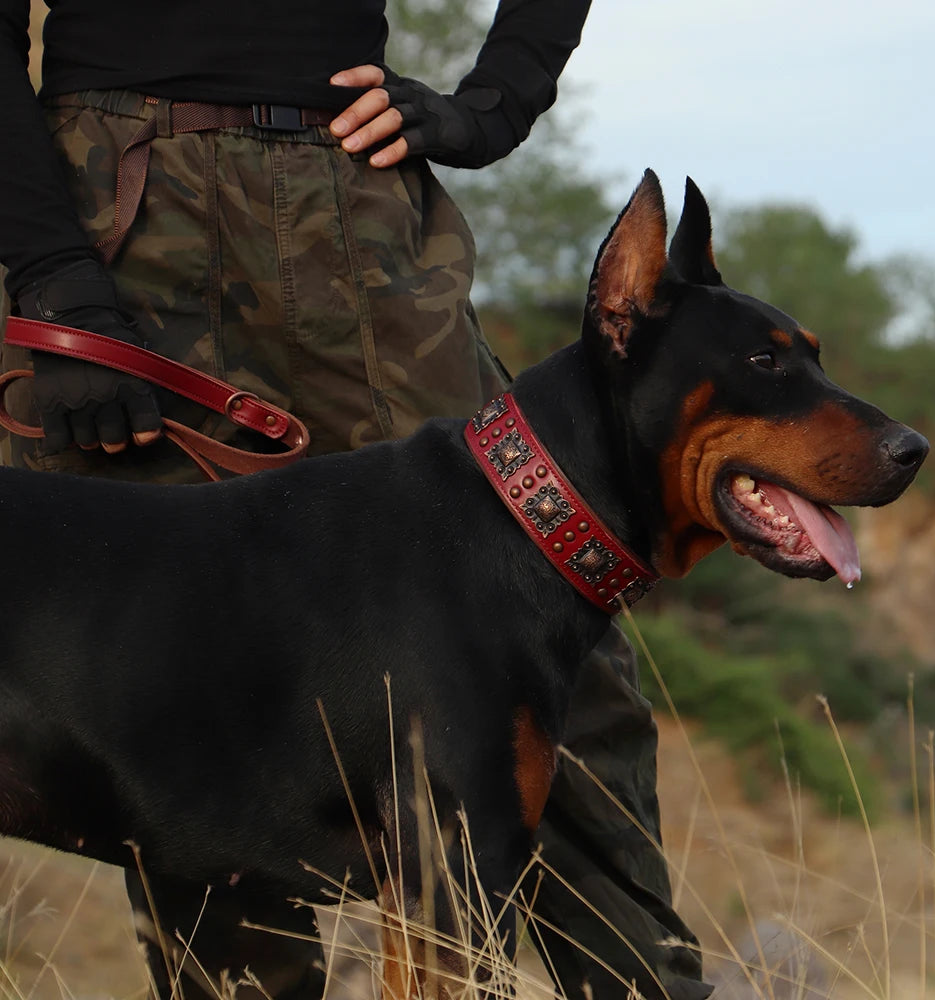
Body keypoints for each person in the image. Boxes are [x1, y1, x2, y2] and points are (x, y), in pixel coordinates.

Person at [0, 2, 711, 998]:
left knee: (545, 617)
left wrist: (490, 106)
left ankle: (644, 986)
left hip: (359, 193)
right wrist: (53, 278)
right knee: (177, 671)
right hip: (120, 220)